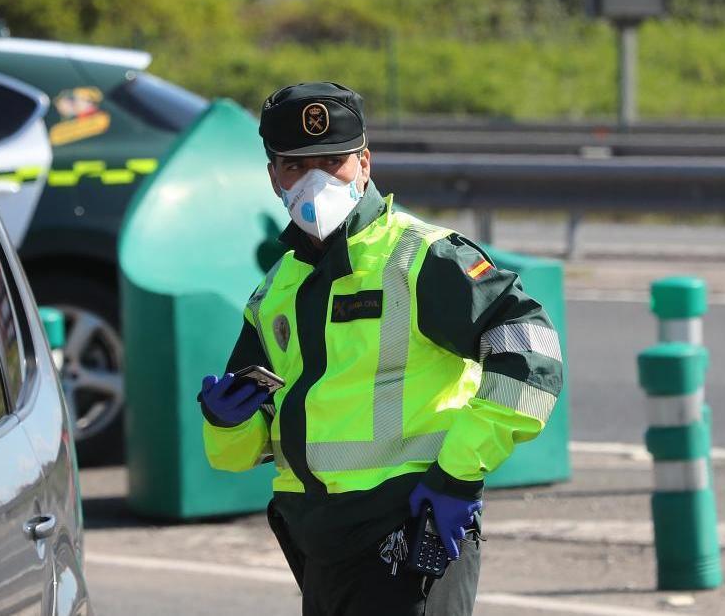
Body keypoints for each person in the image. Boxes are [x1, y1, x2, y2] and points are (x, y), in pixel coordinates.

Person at [200, 82, 564, 615]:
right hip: (319, 543)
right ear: (274, 177)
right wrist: (225, 422)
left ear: (365, 163)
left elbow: (533, 353)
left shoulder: (422, 258)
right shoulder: (276, 289)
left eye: (332, 162)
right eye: (296, 167)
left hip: (413, 525)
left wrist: (459, 475)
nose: (315, 180)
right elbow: (247, 450)